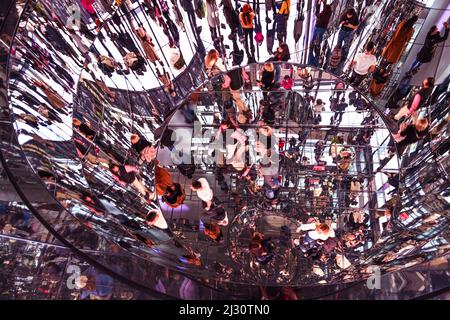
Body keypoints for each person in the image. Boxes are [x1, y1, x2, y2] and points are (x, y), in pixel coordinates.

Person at [308, 0, 332, 67]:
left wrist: (318, 4)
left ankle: (312, 46)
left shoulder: (321, 15)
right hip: (323, 28)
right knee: (320, 37)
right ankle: (317, 46)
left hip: (318, 27)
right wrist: (323, 3)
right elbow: (326, 9)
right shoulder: (329, 13)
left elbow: (316, 13)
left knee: (315, 36)